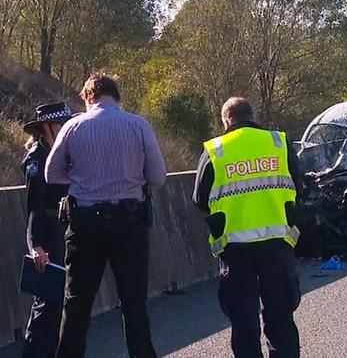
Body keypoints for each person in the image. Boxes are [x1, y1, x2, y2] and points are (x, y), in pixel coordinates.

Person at [45, 73, 166, 358]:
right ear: (116, 96)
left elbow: (51, 173)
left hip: (84, 222)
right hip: (129, 221)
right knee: (134, 303)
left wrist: (80, 179)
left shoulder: (73, 126)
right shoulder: (138, 125)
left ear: (89, 96)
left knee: (76, 305)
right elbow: (158, 176)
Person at [192, 97, 302, 358]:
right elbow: (299, 187)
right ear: (254, 117)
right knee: (280, 317)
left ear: (226, 120)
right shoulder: (279, 143)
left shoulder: (216, 149)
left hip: (234, 247)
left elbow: (199, 199)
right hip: (277, 242)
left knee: (243, 321)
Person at [20, 102, 73, 358]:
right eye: (62, 125)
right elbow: (34, 208)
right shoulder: (36, 160)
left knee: (60, 309)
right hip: (47, 238)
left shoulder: (63, 156)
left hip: (65, 235)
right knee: (45, 307)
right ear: (49, 128)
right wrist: (36, 246)